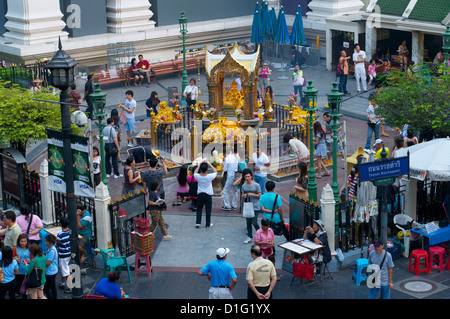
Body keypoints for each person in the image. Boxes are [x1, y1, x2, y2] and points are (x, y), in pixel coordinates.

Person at [240, 169, 261, 244]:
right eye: (246, 177)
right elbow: (242, 195)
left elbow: (259, 195)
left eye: (248, 176)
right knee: (248, 222)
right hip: (248, 206)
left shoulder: (256, 185)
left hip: (255, 206)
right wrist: (244, 195)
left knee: (254, 222)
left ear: (251, 176)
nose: (247, 178)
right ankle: (250, 236)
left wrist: (252, 194)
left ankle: (260, 234)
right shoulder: (244, 186)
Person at [194, 161, 217, 228]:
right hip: (208, 194)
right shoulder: (209, 176)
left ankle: (198, 222)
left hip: (200, 193)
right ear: (207, 169)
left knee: (199, 208)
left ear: (200, 169)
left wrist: (199, 165)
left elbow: (195, 172)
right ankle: (208, 223)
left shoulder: (197, 176)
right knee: (208, 209)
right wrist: (210, 165)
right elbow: (216, 172)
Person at [56, 217, 72, 294]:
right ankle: (62, 283)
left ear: (61, 224)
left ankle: (71, 287)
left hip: (63, 254)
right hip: (68, 253)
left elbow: (58, 244)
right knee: (64, 268)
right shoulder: (70, 232)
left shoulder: (60, 235)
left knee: (65, 271)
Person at [13, 234, 31, 299]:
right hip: (18, 270)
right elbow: (13, 257)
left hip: (26, 270)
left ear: (27, 241)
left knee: (25, 287)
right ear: (19, 241)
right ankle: (18, 292)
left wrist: (28, 261)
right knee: (19, 284)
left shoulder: (30, 249)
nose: (23, 243)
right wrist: (15, 259)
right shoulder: (16, 248)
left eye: (25, 241)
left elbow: (33, 259)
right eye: (22, 241)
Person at [76, 203, 92, 273]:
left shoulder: (87, 216)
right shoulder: (79, 215)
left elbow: (79, 226)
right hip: (79, 233)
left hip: (85, 235)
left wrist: (77, 216)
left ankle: (82, 254)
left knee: (79, 246)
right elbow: (78, 226)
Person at [43, 234, 58, 299]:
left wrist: (39, 263)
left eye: (46, 241)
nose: (45, 243)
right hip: (53, 271)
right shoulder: (51, 248)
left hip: (50, 272)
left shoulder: (52, 251)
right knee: (52, 287)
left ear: (50, 243)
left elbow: (48, 263)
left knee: (46, 288)